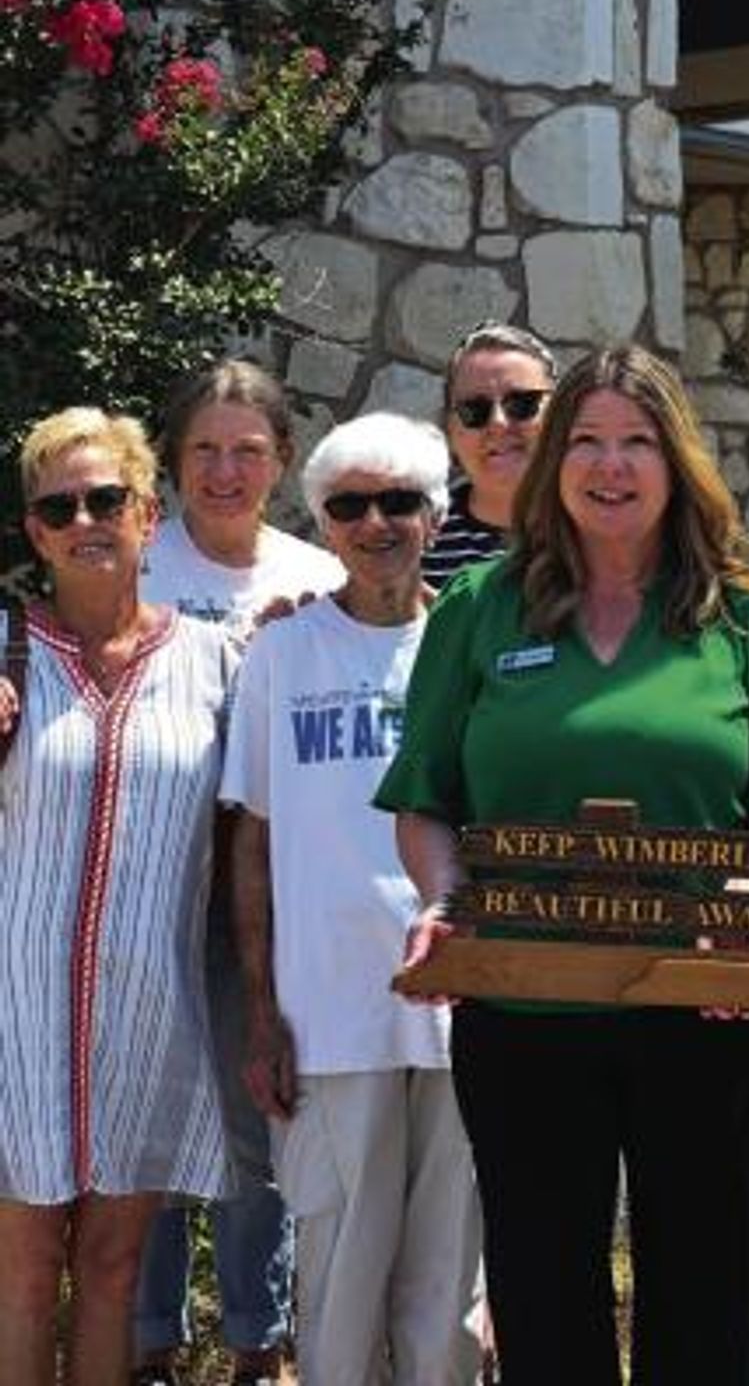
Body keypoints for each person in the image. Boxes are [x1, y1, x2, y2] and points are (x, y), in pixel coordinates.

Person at [376, 344, 749, 1386]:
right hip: (523, 1004)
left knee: (707, 1298)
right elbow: (424, 798)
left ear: (678, 462)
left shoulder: (746, 616)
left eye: (637, 441)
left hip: (708, 1007)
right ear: (553, 464)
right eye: (585, 440)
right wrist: (443, 898)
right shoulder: (478, 611)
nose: (610, 465)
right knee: (543, 1300)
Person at [221, 411, 483, 1386]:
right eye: (350, 505)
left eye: (399, 501)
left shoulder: (474, 647)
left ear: (435, 513)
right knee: (337, 1286)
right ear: (324, 521)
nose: (376, 523)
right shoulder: (282, 655)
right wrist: (259, 1013)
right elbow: (253, 836)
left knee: (448, 1287)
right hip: (327, 1015)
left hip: (463, 1006)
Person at [0, 408, 235, 1386]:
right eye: (60, 506)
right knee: (19, 1271)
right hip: (17, 1017)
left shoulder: (218, 663)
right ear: (35, 531)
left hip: (147, 1009)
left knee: (111, 1266)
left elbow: (269, 829)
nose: (84, 519)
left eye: (106, 498)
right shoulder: (3, 652)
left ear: (148, 511)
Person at [133, 359, 343, 1386]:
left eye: (246, 451)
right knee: (150, 1122)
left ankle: (261, 1346)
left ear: (283, 462)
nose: (224, 471)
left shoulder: (316, 575)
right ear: (172, 463)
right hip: (150, 891)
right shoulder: (134, 565)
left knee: (261, 1127)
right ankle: (149, 1345)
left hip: (272, 896)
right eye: (204, 450)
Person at [421, 322, 556, 588]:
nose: (498, 423)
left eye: (522, 404)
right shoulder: (414, 544)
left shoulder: (600, 529)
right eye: (474, 410)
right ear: (449, 430)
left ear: (559, 413)